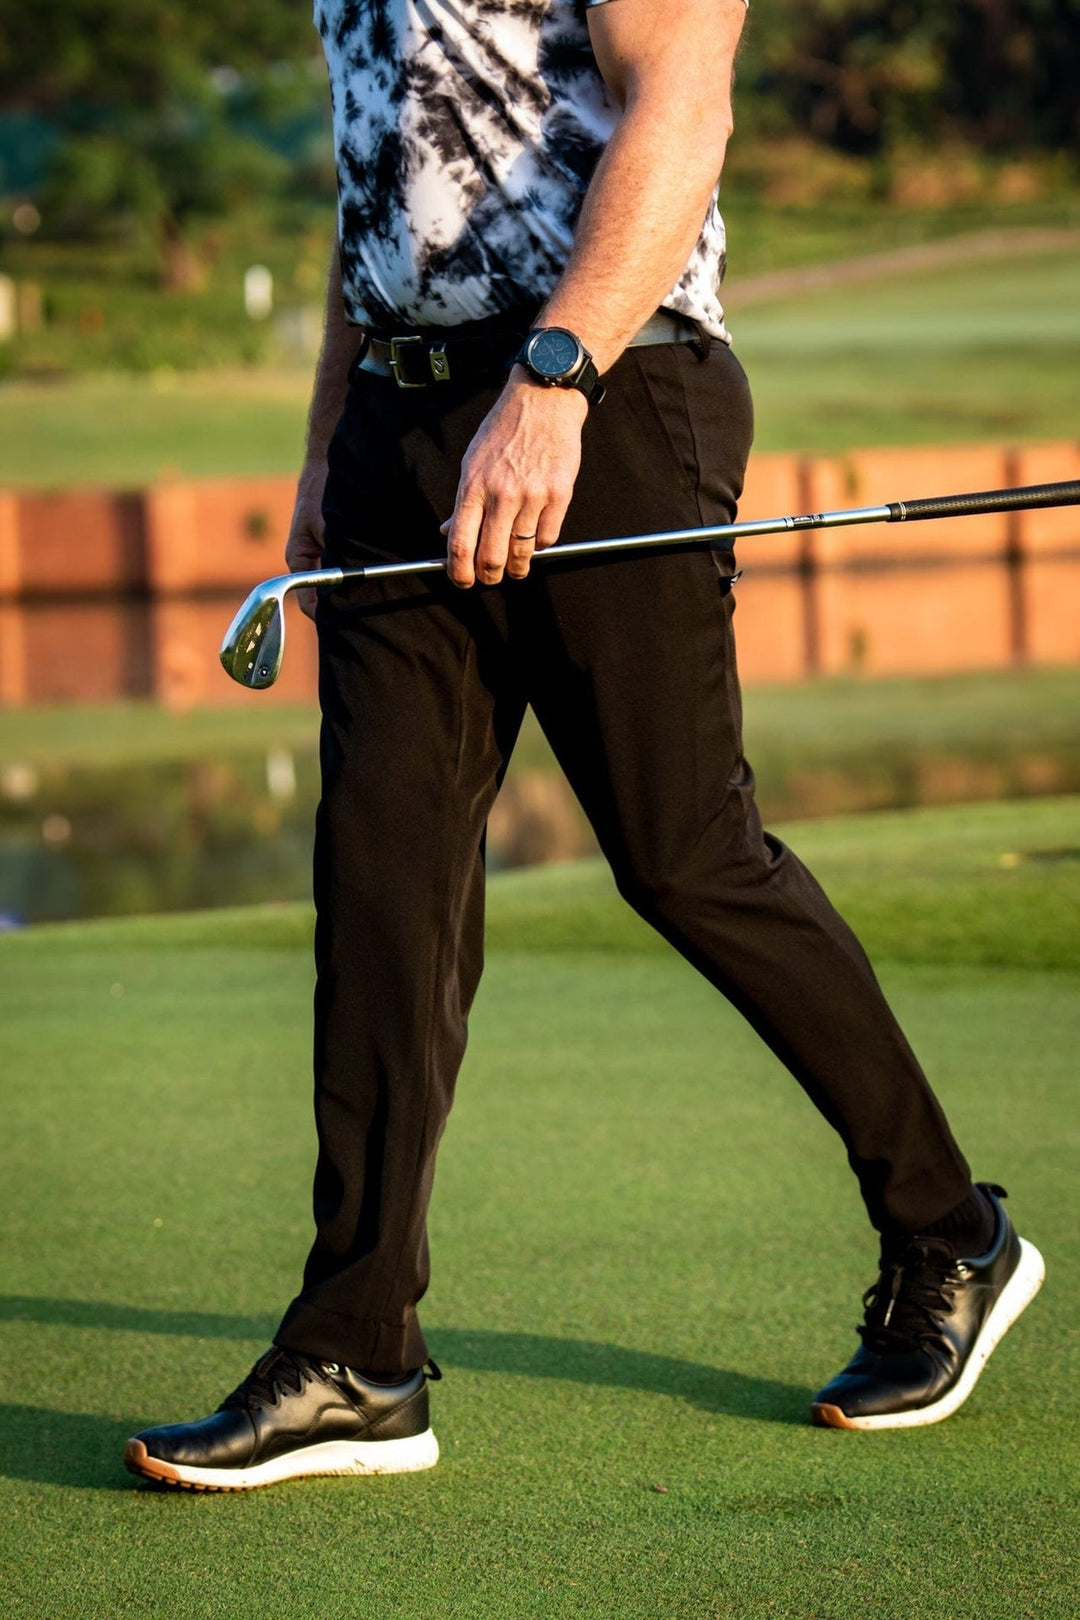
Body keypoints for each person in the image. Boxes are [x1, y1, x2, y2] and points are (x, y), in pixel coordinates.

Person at [124, 0, 1043, 1491]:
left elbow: (685, 103)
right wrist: (321, 445)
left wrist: (552, 385)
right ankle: (356, 1354)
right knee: (383, 888)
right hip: (397, 424)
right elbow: (382, 174)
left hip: (602, 392)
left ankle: (951, 1234)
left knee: (687, 855)